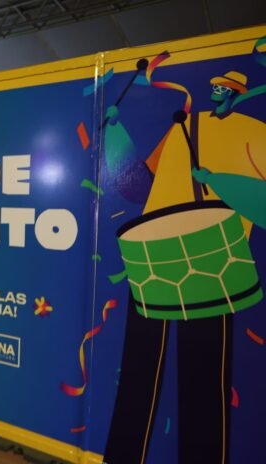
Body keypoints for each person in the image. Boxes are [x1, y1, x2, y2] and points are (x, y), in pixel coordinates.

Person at [103, 65, 266, 464]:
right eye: (215, 86)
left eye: (224, 87)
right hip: (153, 258)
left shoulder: (256, 133)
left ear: (238, 91)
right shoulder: (183, 126)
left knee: (204, 378)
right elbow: (136, 187)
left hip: (210, 261)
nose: (217, 91)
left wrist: (221, 182)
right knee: (139, 371)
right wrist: (115, 135)